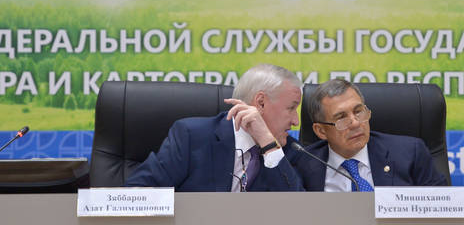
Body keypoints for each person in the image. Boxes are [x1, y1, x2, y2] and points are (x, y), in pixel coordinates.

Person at [125, 63, 304, 191]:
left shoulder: (288, 151)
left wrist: (267, 143)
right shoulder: (192, 137)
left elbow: (299, 211)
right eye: (291, 108)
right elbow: (136, 194)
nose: (296, 121)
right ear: (261, 103)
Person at [294, 79, 447, 191]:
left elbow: (442, 209)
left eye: (358, 111)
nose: (355, 123)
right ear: (321, 131)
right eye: (341, 118)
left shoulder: (410, 153)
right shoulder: (300, 165)